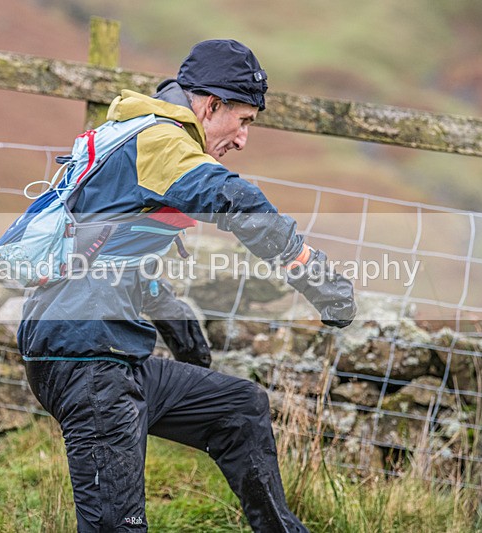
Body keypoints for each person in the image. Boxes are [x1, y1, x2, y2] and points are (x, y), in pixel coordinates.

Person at [18, 39, 356, 532]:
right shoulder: (159, 140)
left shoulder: (139, 135)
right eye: (243, 121)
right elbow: (234, 198)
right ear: (211, 105)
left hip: (109, 356)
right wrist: (311, 270)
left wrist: (172, 315)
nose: (242, 139)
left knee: (240, 410)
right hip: (87, 364)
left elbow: (110, 247)